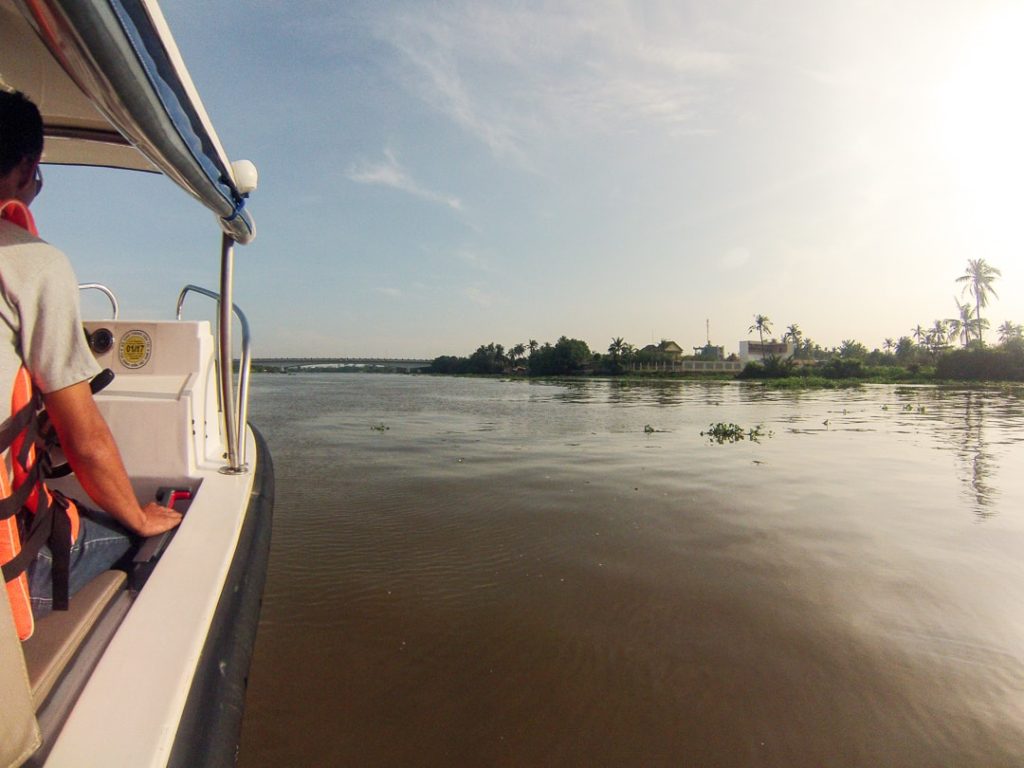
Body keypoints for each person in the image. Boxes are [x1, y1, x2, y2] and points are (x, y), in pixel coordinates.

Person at [0, 89, 181, 632]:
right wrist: (139, 514)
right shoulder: (32, 264)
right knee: (140, 536)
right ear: (28, 169)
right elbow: (83, 438)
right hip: (10, 571)